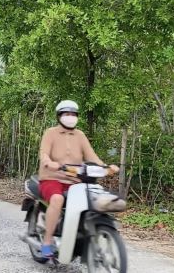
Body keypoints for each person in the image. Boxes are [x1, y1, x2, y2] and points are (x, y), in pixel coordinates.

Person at [38, 100, 120, 258]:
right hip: (52, 178)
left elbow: (92, 156)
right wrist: (49, 162)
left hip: (75, 181)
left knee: (92, 200)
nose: (71, 117)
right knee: (57, 199)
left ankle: (79, 236)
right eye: (67, 114)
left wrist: (106, 167)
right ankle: (47, 243)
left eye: (74, 114)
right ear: (59, 116)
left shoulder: (80, 135)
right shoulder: (51, 133)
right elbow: (44, 153)